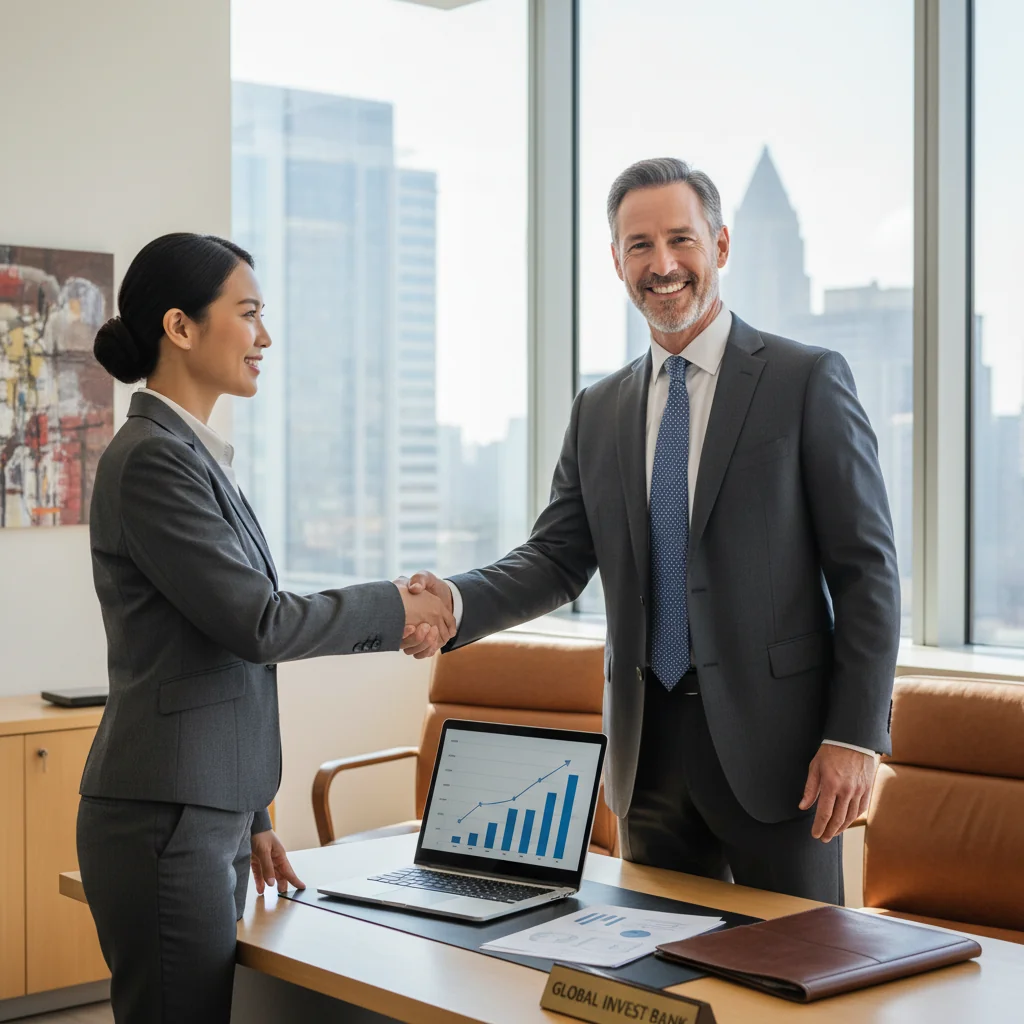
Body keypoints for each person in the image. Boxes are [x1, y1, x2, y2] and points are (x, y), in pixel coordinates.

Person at [402, 158, 900, 904]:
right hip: (647, 756)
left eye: (681, 240)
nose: (662, 265)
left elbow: (868, 573)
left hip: (782, 757)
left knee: (796, 979)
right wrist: (457, 602)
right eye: (639, 246)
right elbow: (556, 559)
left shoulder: (806, 381)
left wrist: (854, 736)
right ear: (615, 261)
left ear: (721, 246)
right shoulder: (597, 409)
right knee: (656, 983)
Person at [78, 232, 454, 1023]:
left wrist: (252, 816)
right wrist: (397, 604)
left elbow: (216, 654)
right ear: (181, 328)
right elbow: (259, 624)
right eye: (248, 314)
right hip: (164, 818)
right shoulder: (152, 459)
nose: (265, 338)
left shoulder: (194, 455)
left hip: (198, 809)